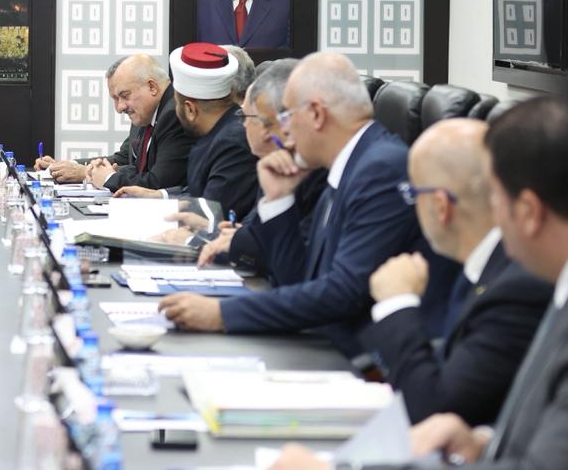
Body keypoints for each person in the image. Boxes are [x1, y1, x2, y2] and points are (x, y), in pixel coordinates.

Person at [272, 96, 568, 470]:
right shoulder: (550, 288)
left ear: (527, 212)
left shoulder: (524, 286)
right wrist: (485, 441)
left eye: (495, 198)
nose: (489, 214)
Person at [158, 52, 454, 357]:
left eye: (287, 117)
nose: (284, 133)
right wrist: (279, 200)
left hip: (365, 361)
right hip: (323, 343)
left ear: (315, 114)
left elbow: (341, 294)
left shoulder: (380, 170)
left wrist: (221, 313)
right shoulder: (349, 164)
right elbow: (296, 279)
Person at [359, 118, 549, 426]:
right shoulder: (482, 267)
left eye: (413, 193)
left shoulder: (516, 288)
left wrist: (397, 303)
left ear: (440, 206)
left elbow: (436, 409)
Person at [194, 59, 329, 276]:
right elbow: (256, 231)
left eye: (245, 117)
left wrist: (197, 239)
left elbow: (295, 259)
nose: (242, 125)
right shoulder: (276, 163)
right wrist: (237, 236)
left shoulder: (318, 171)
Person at [114, 43, 259, 220]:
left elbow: (209, 215)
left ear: (190, 109)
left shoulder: (233, 144)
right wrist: (160, 196)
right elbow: (197, 193)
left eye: (176, 104)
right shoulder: (216, 134)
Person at [39, 55, 194, 192]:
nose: (119, 108)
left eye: (124, 96)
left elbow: (158, 183)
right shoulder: (145, 113)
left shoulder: (175, 114)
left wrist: (93, 175)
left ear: (152, 87)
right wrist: (67, 166)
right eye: (115, 99)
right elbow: (125, 158)